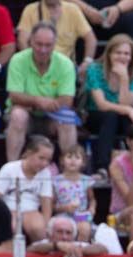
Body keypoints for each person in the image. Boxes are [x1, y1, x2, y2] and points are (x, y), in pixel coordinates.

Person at [6, 21, 79, 162]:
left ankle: (69, 170)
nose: (43, 49)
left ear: (55, 44)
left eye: (48, 45)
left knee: (67, 119)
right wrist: (39, 101)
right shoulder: (18, 60)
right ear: (31, 42)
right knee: (17, 115)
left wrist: (45, 104)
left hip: (53, 116)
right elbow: (14, 96)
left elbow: (67, 100)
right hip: (26, 114)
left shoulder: (65, 64)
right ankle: (11, 168)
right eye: (39, 44)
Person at [84, 34, 133, 176]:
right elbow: (101, 104)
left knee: (131, 121)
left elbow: (127, 103)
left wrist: (124, 78)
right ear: (109, 54)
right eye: (118, 53)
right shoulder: (95, 69)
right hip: (95, 115)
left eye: (126, 54)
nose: (122, 57)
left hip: (119, 116)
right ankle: (102, 167)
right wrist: (129, 110)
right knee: (111, 116)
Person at [0, 135, 55, 244]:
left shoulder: (46, 173)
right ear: (29, 153)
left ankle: (36, 256)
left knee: (38, 229)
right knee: (11, 227)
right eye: (41, 158)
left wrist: (46, 225)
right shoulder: (9, 168)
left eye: (48, 160)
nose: (45, 164)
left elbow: (46, 202)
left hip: (31, 210)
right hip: (8, 209)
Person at [17, 0, 98, 67]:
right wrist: (30, 62)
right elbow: (22, 40)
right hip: (38, 63)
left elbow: (91, 39)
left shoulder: (72, 10)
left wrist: (87, 62)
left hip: (66, 66)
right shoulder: (31, 9)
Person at [28, 214, 116, 257]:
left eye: (68, 233)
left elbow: (103, 249)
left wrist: (79, 250)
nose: (64, 237)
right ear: (50, 234)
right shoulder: (45, 244)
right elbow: (29, 250)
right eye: (59, 232)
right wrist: (56, 246)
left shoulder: (76, 244)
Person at [53, 145, 96, 241]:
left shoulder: (86, 180)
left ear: (83, 162)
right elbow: (53, 205)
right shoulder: (56, 181)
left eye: (77, 158)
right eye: (69, 157)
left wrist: (92, 208)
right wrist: (65, 207)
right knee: (63, 229)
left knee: (84, 228)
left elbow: (92, 199)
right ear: (62, 160)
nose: (73, 161)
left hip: (81, 215)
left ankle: (80, 250)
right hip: (63, 215)